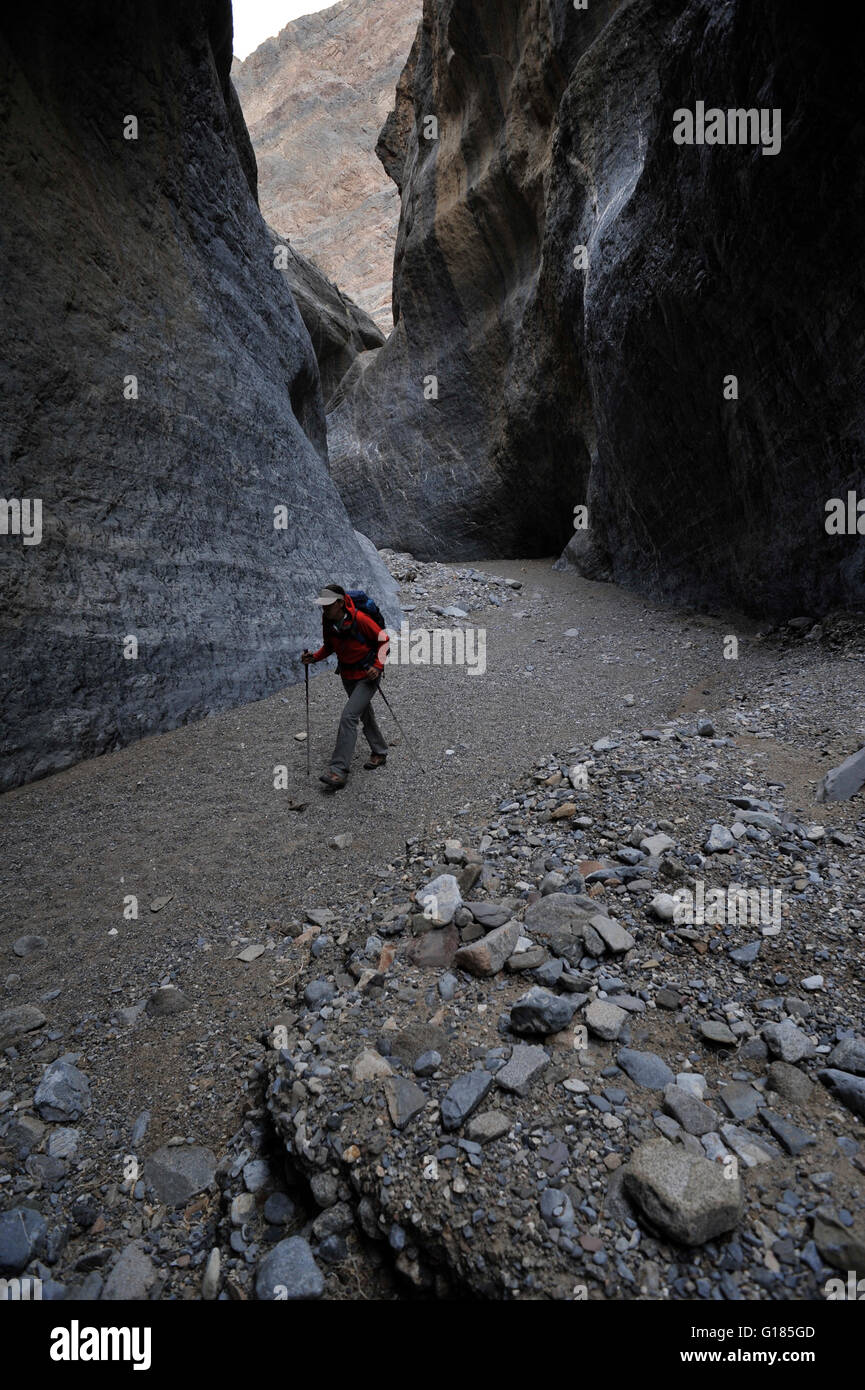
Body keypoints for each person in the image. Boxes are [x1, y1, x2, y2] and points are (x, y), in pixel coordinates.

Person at [302, 585, 389, 790]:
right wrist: (314, 657)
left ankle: (338, 771)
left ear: (340, 603)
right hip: (348, 675)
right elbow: (330, 646)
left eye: (328, 606)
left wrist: (378, 666)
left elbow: (384, 641)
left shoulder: (360, 619)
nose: (325, 610)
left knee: (348, 717)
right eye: (323, 606)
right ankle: (380, 751)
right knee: (364, 713)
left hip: (368, 675)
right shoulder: (329, 621)